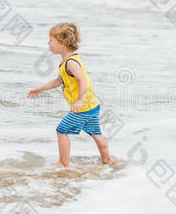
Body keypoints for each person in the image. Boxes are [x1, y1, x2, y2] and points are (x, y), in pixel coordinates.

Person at [27, 23, 115, 168]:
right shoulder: (67, 61)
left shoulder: (71, 63)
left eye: (50, 40)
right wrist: (41, 89)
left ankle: (63, 162)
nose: (48, 43)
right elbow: (58, 80)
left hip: (83, 107)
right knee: (95, 133)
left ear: (61, 43)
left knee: (61, 130)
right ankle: (107, 159)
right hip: (91, 106)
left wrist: (80, 100)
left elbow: (83, 80)